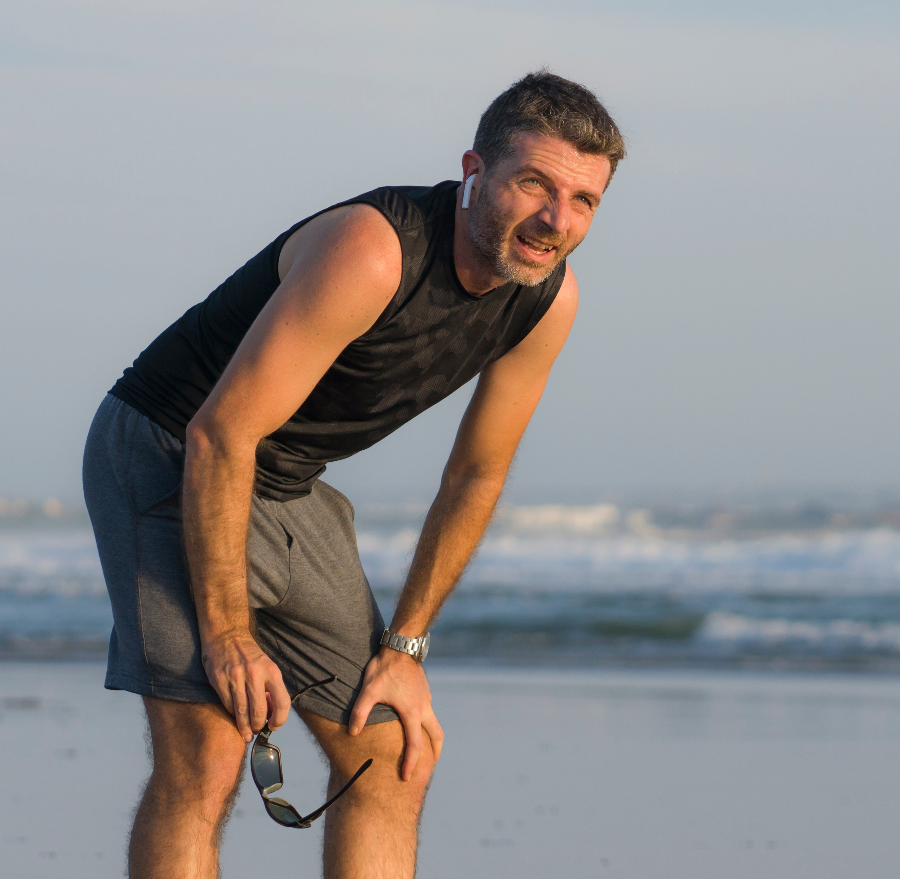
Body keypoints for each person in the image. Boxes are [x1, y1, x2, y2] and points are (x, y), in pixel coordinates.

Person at [82, 69, 624, 878]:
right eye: (534, 184)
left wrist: (405, 647)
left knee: (392, 747)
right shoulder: (374, 251)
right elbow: (220, 432)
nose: (556, 219)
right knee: (209, 753)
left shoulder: (547, 299)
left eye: (583, 201)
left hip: (288, 482)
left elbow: (475, 474)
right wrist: (229, 635)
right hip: (170, 448)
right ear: (475, 173)